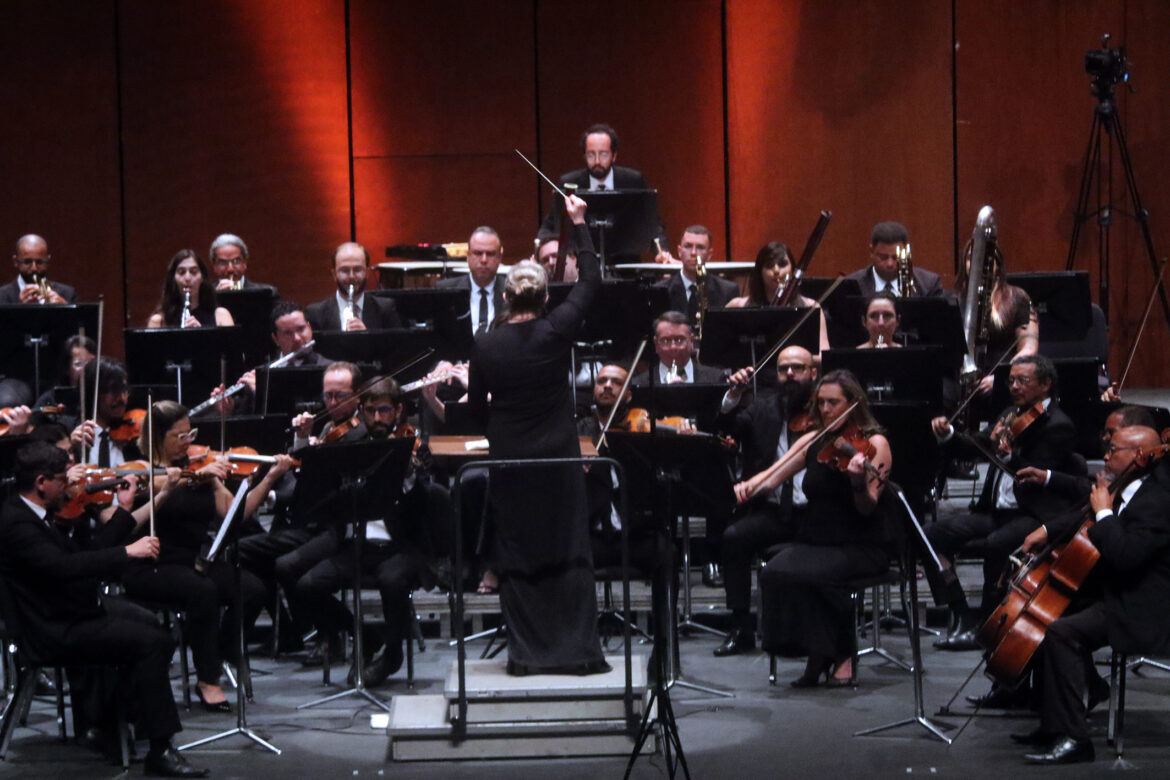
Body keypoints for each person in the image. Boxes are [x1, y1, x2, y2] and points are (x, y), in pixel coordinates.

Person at [0, 441, 209, 777]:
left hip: (68, 611)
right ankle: (158, 747)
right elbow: (63, 568)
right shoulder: (17, 524)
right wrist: (128, 553)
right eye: (61, 479)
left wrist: (124, 510)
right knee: (152, 642)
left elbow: (85, 556)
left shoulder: (33, 514)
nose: (69, 486)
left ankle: (114, 723)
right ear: (41, 483)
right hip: (51, 629)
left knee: (149, 628)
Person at [466, 192, 609, 676]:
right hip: (557, 456)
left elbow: (474, 409)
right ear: (546, 297)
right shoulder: (556, 331)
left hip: (511, 459)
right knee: (567, 545)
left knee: (519, 550)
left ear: (506, 298)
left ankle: (526, 655)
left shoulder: (485, 345)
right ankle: (580, 653)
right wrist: (579, 222)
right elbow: (591, 281)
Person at [1009, 424, 1170, 764]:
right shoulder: (1126, 483)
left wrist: (1104, 513)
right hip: (1115, 589)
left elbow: (1127, 556)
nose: (1106, 455)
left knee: (1062, 633)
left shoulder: (1160, 500)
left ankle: (1075, 739)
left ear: (1140, 457)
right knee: (1046, 614)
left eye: (1115, 450)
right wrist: (1048, 531)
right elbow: (1082, 515)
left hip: (1143, 604)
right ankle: (1057, 719)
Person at [739, 369, 893, 686]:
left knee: (814, 574)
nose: (825, 410)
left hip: (860, 543)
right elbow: (773, 476)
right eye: (820, 403)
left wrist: (857, 483)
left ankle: (842, 653)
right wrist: (743, 489)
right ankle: (816, 651)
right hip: (817, 540)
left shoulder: (874, 443)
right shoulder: (815, 441)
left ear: (853, 403)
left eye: (833, 403)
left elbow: (868, 507)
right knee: (774, 572)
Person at [927, 354, 1087, 655]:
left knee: (996, 544)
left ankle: (989, 624)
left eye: (1022, 380)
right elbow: (977, 445)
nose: (1014, 386)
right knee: (930, 535)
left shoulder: (1058, 425)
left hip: (1031, 513)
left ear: (1045, 384)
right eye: (1011, 380)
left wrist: (1010, 454)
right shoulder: (1011, 413)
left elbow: (1033, 474)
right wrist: (949, 435)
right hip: (996, 511)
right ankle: (962, 611)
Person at [295, 379, 447, 686]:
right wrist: (302, 440)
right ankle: (365, 635)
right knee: (307, 586)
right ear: (362, 411)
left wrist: (409, 475)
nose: (377, 419)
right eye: (370, 411)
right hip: (356, 543)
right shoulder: (350, 444)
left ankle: (392, 656)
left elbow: (429, 490)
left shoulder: (413, 445)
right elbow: (313, 474)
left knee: (392, 581)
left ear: (399, 410)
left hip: (401, 546)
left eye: (385, 411)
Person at [119, 401, 268, 713]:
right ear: (158, 438)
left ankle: (223, 649)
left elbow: (233, 514)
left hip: (193, 560)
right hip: (151, 562)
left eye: (191, 434)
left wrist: (218, 478)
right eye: (180, 436)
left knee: (252, 589)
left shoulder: (199, 467)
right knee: (203, 592)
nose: (188, 442)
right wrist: (195, 474)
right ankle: (207, 678)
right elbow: (156, 483)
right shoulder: (140, 470)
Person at [713, 346, 818, 656]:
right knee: (734, 538)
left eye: (797, 368)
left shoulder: (825, 410)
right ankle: (741, 627)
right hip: (772, 510)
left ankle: (816, 631)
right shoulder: (762, 409)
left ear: (812, 373)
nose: (789, 375)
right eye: (784, 368)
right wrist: (733, 396)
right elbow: (726, 429)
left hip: (815, 511)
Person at [537, 123, 667, 254]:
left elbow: (652, 225)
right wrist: (539, 250)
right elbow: (551, 224)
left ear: (614, 155)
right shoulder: (569, 183)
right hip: (581, 261)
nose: (597, 161)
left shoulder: (633, 180)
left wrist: (661, 253)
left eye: (603, 154)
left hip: (624, 260)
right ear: (584, 156)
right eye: (591, 155)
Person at [727, 241, 830, 353]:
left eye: (782, 264)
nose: (776, 270)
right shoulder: (738, 306)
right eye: (769, 265)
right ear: (760, 272)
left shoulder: (811, 307)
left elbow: (823, 354)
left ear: (792, 269)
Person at [652, 226, 740, 325]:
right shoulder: (661, 290)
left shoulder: (727, 291)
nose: (693, 253)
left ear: (709, 254)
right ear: (679, 251)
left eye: (700, 247)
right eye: (688, 246)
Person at [305, 242, 401, 332]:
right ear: (334, 274)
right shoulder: (315, 313)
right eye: (345, 270)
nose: (351, 276)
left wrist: (367, 337)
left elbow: (396, 348)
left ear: (367, 273)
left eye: (357, 269)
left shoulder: (385, 309)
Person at [69, 357, 143, 467]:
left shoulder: (133, 439)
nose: (122, 398)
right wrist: (70, 448)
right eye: (113, 390)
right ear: (93, 392)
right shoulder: (72, 434)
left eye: (124, 389)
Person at [436, 227, 506, 336]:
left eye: (490, 254)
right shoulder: (446, 290)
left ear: (499, 257)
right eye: (478, 253)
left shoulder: (511, 291)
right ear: (468, 256)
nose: (484, 260)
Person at [845, 221, 943, 297]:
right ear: (872, 251)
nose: (890, 264)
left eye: (896, 257)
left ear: (906, 253)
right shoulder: (851, 285)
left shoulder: (928, 284)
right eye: (883, 257)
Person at [632, 311, 727, 386]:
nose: (673, 347)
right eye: (665, 340)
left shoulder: (715, 378)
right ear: (656, 344)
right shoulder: (639, 383)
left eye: (679, 339)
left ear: (691, 341)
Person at [146, 249, 234, 328]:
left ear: (202, 277)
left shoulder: (221, 316)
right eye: (181, 272)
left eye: (194, 272)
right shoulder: (158, 321)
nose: (187, 278)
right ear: (173, 278)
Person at [0, 233, 77, 303]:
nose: (34, 268)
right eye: (27, 262)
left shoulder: (68, 294)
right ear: (16, 262)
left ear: (48, 262)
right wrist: (19, 308)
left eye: (40, 262)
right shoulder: (2, 296)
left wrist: (64, 309)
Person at [208, 233, 278, 294]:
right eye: (223, 262)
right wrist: (215, 297)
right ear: (214, 266)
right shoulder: (205, 297)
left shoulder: (266, 293)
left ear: (245, 263)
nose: (230, 269)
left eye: (236, 261)